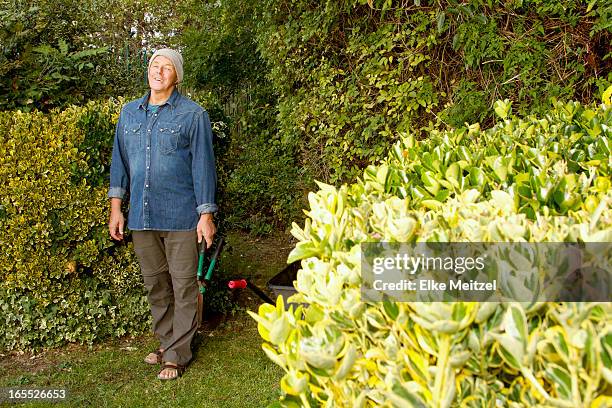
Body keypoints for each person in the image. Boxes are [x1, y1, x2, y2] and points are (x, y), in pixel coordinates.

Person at [108, 48, 217, 380]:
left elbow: (203, 167)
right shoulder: (128, 114)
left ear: (176, 76)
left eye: (167, 67)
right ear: (148, 70)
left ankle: (176, 355)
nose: (159, 71)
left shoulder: (192, 115)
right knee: (156, 285)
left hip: (182, 216)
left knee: (183, 286)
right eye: (155, 64)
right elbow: (119, 165)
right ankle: (169, 342)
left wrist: (206, 215)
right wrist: (116, 208)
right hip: (141, 217)